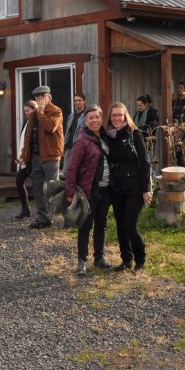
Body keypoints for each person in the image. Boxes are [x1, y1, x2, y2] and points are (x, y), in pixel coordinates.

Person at [64, 105, 113, 276]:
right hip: (88, 190)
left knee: (101, 225)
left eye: (97, 117)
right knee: (85, 226)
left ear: (101, 119)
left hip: (106, 189)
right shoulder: (82, 140)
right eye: (90, 118)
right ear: (85, 121)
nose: (94, 120)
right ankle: (82, 262)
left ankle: (99, 258)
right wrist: (70, 192)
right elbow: (72, 167)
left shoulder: (106, 137)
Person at [105, 102, 154, 272]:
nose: (117, 118)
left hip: (134, 187)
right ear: (110, 118)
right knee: (120, 225)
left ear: (126, 116)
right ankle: (126, 260)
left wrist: (146, 188)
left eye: (120, 114)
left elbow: (145, 162)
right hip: (117, 187)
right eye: (114, 115)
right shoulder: (108, 136)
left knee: (129, 225)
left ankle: (140, 260)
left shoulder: (134, 134)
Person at [20, 85, 64, 229]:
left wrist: (40, 112)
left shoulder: (56, 111)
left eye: (43, 96)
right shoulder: (33, 115)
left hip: (51, 156)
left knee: (53, 188)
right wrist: (23, 154)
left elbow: (50, 127)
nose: (40, 99)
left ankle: (63, 215)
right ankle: (43, 218)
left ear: (49, 97)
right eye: (37, 97)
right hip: (36, 157)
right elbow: (28, 137)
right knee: (38, 188)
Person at [14, 100, 37, 220]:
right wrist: (21, 156)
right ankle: (26, 209)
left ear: (35, 109)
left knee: (39, 186)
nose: (26, 113)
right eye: (25, 111)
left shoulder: (36, 123)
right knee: (19, 181)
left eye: (28, 110)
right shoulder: (26, 122)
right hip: (25, 159)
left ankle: (45, 213)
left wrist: (27, 157)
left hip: (33, 160)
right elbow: (23, 141)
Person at [62, 93, 87, 167]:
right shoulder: (71, 115)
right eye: (75, 101)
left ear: (84, 101)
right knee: (66, 172)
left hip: (80, 148)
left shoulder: (87, 115)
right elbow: (67, 132)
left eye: (79, 100)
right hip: (69, 148)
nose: (77, 102)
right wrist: (64, 146)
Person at [171, 82, 185, 167]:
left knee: (183, 152)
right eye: (178, 88)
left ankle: (184, 171)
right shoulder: (175, 101)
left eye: (181, 88)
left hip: (184, 130)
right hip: (175, 129)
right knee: (176, 152)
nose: (179, 90)